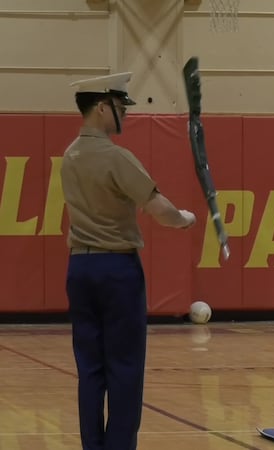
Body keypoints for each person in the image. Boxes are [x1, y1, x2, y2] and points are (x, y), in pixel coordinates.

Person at [62, 72, 197, 450]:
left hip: (80, 269)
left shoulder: (69, 156)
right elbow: (160, 210)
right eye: (120, 107)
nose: (124, 114)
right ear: (103, 108)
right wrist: (185, 219)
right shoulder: (117, 158)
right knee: (124, 368)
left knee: (90, 370)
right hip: (116, 271)